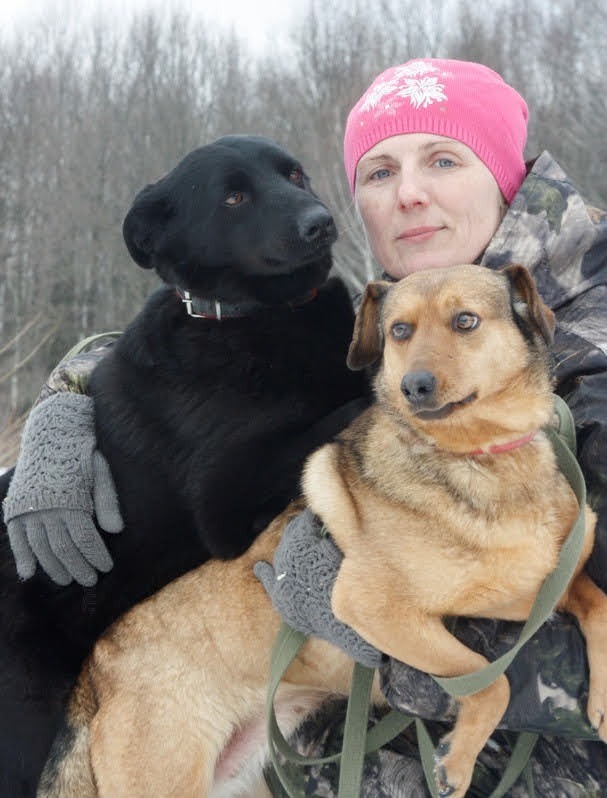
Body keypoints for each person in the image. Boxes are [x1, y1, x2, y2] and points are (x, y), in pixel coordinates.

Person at [4, 59, 607, 795]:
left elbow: (569, 648)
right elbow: (239, 364)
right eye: (377, 173)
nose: (408, 193)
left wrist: (370, 625)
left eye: (443, 159)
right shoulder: (399, 319)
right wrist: (67, 401)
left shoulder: (587, 354)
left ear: (508, 175)